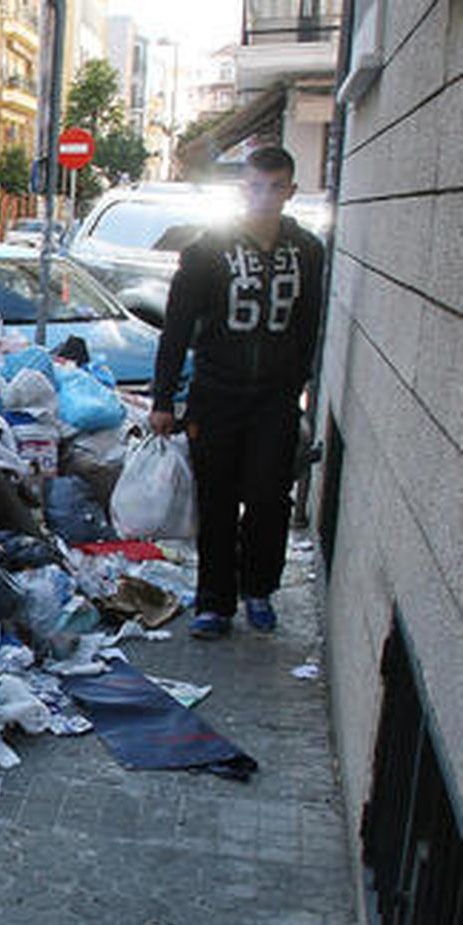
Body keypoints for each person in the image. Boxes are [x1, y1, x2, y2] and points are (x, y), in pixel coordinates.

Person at [150, 146, 325, 640]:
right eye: (254, 186)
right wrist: (164, 399)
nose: (264, 197)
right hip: (216, 395)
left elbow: (309, 322)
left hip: (275, 398)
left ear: (290, 191)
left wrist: (297, 381)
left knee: (270, 498)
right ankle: (214, 603)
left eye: (275, 187)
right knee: (218, 500)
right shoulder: (207, 252)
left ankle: (259, 590)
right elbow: (177, 328)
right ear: (240, 189)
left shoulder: (308, 250)